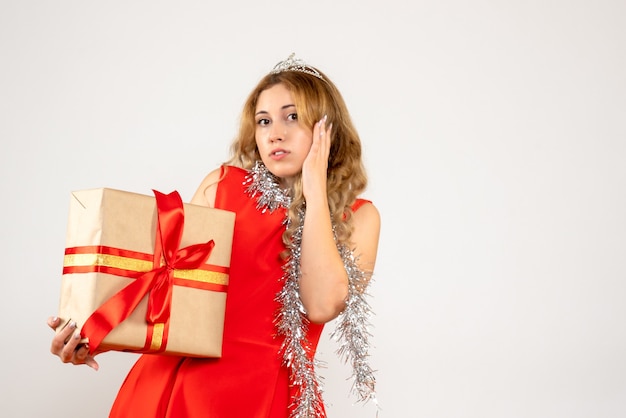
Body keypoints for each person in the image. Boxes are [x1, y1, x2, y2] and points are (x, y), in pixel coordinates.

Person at [48, 53, 381, 418]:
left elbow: (320, 306)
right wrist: (96, 336)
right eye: (264, 121)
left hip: (271, 398)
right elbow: (168, 295)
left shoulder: (360, 218)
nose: (275, 133)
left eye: (293, 117)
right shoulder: (221, 187)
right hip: (180, 389)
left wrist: (315, 192)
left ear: (326, 127)